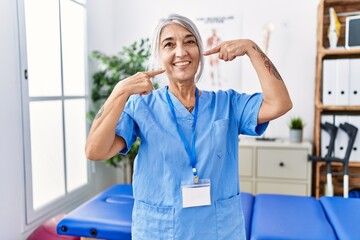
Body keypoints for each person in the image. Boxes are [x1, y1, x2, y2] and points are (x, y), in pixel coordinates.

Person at [85, 14, 292, 240]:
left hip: (220, 231)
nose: (181, 51)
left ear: (200, 52)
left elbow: (279, 103)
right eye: (169, 44)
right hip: (159, 231)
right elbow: (95, 150)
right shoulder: (141, 106)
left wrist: (253, 49)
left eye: (189, 41)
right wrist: (119, 92)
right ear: (159, 55)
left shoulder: (227, 104)